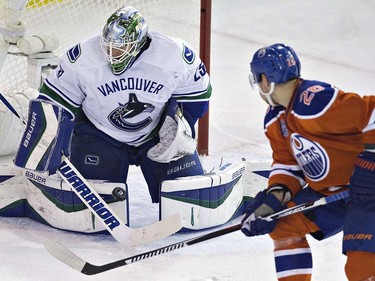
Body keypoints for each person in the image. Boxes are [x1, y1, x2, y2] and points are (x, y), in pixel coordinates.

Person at [14, 5, 211, 205]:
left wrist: (180, 126)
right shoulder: (83, 57)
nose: (112, 53)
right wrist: (49, 144)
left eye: (120, 47)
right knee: (90, 202)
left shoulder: (174, 54)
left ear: (138, 43)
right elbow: (52, 103)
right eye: (108, 45)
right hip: (100, 136)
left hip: (157, 137)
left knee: (190, 196)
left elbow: (199, 97)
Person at [240, 43, 375, 281]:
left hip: (369, 192)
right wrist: (273, 199)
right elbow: (287, 165)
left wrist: (370, 166)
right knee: (283, 223)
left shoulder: (315, 101)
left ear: (264, 80)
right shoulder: (275, 119)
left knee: (361, 268)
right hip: (338, 192)